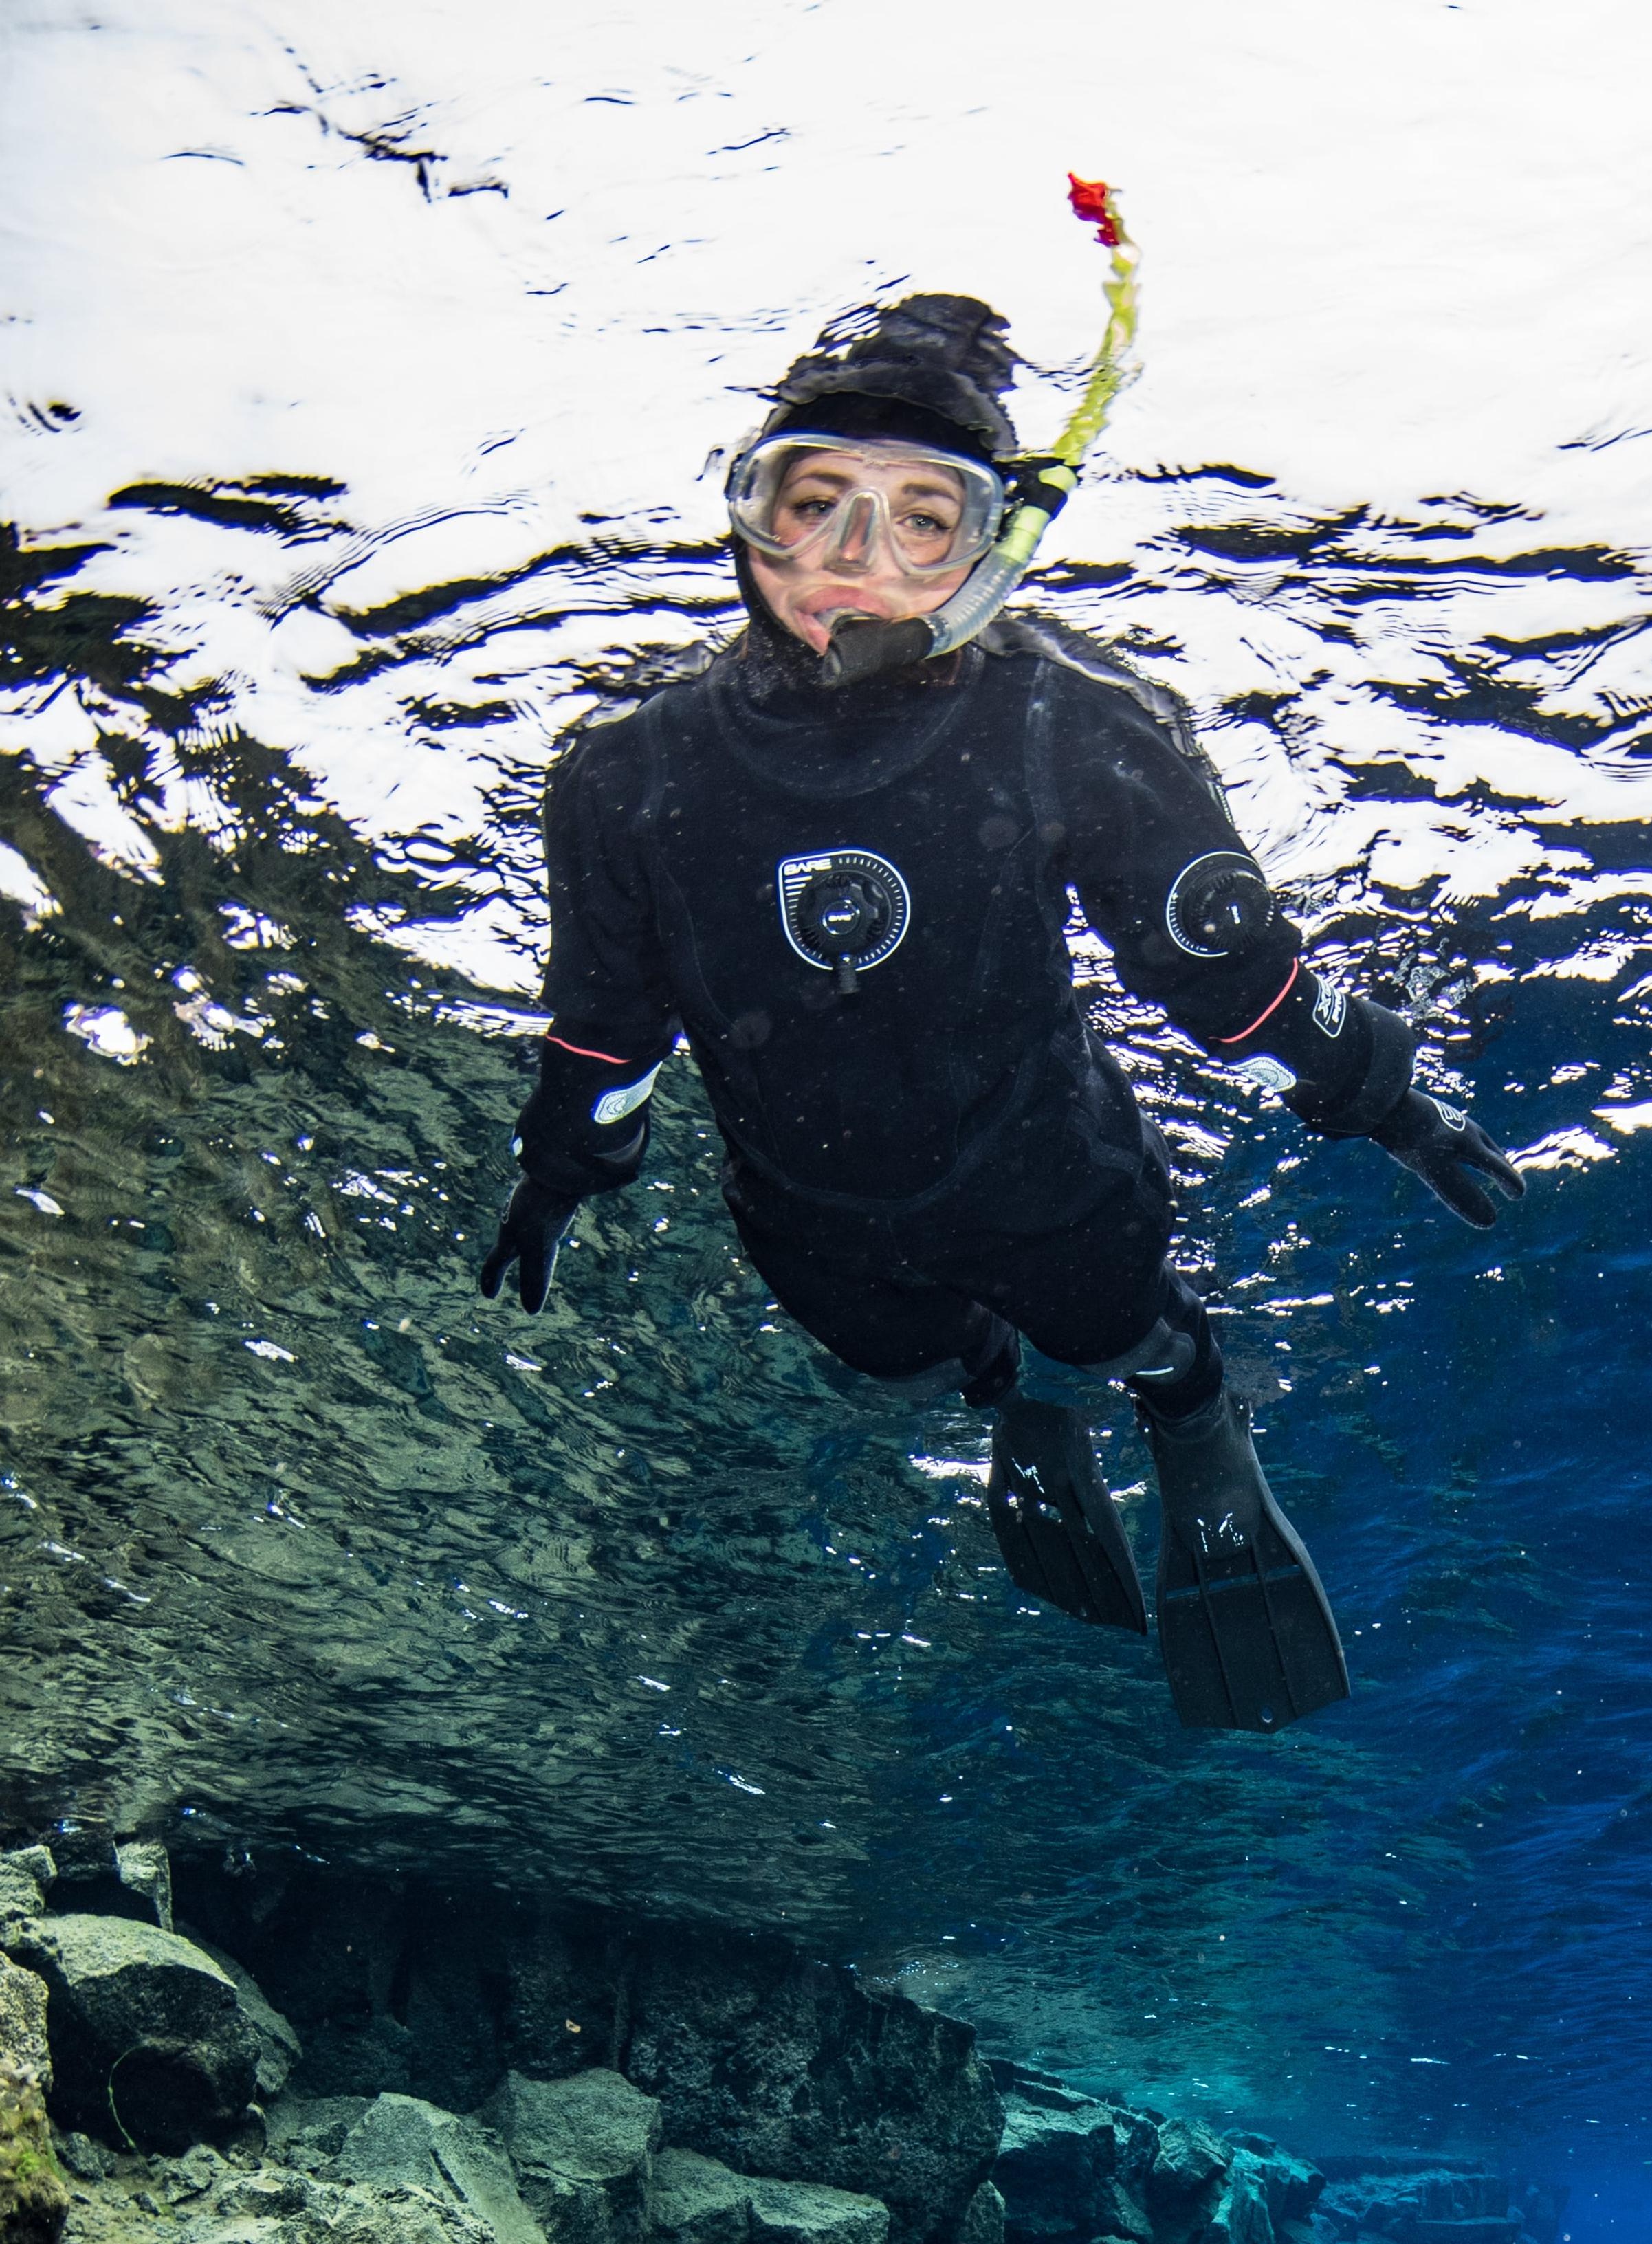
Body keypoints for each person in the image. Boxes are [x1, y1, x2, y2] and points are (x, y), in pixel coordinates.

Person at [476, 285, 1523, 1731]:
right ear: (747, 516)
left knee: (1115, 1329)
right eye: (815, 504)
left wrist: (1384, 1095)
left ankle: (1187, 1406)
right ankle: (1001, 1398)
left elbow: (1224, 968)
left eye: (923, 519)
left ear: (992, 549)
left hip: (1050, 1174)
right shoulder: (629, 776)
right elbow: (607, 1022)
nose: (853, 563)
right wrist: (563, 1170)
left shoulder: (1063, 717)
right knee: (901, 1364)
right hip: (810, 1215)